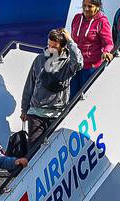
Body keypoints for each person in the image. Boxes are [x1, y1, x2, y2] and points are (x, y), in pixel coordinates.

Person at [19, 28, 82, 156]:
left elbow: (79, 62)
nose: (50, 49)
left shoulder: (68, 62)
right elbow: (29, 85)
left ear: (63, 47)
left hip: (57, 114)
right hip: (36, 112)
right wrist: (24, 109)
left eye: (54, 46)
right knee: (33, 153)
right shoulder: (39, 59)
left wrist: (70, 41)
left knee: (55, 153)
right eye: (49, 45)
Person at [70, 0, 113, 98]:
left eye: (90, 6)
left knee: (86, 99)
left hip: (91, 68)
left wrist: (106, 52)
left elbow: (109, 43)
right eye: (84, 5)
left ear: (98, 7)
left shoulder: (102, 22)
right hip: (75, 67)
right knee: (71, 99)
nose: (86, 9)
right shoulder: (76, 18)